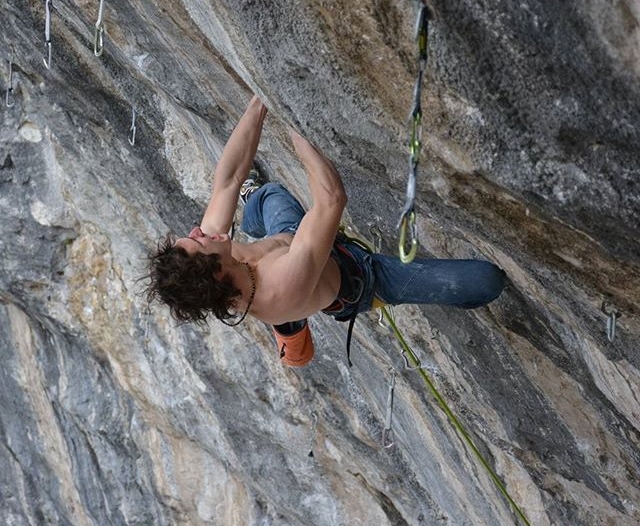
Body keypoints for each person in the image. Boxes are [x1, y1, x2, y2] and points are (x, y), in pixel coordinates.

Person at [146, 95, 505, 366]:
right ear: (215, 269)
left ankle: (254, 198)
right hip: (360, 277)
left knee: (269, 196)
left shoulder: (219, 256)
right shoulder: (278, 289)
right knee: (487, 281)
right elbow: (332, 198)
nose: (197, 230)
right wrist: (294, 123)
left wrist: (262, 99)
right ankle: (291, 325)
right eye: (196, 241)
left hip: (289, 237)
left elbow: (226, 182)